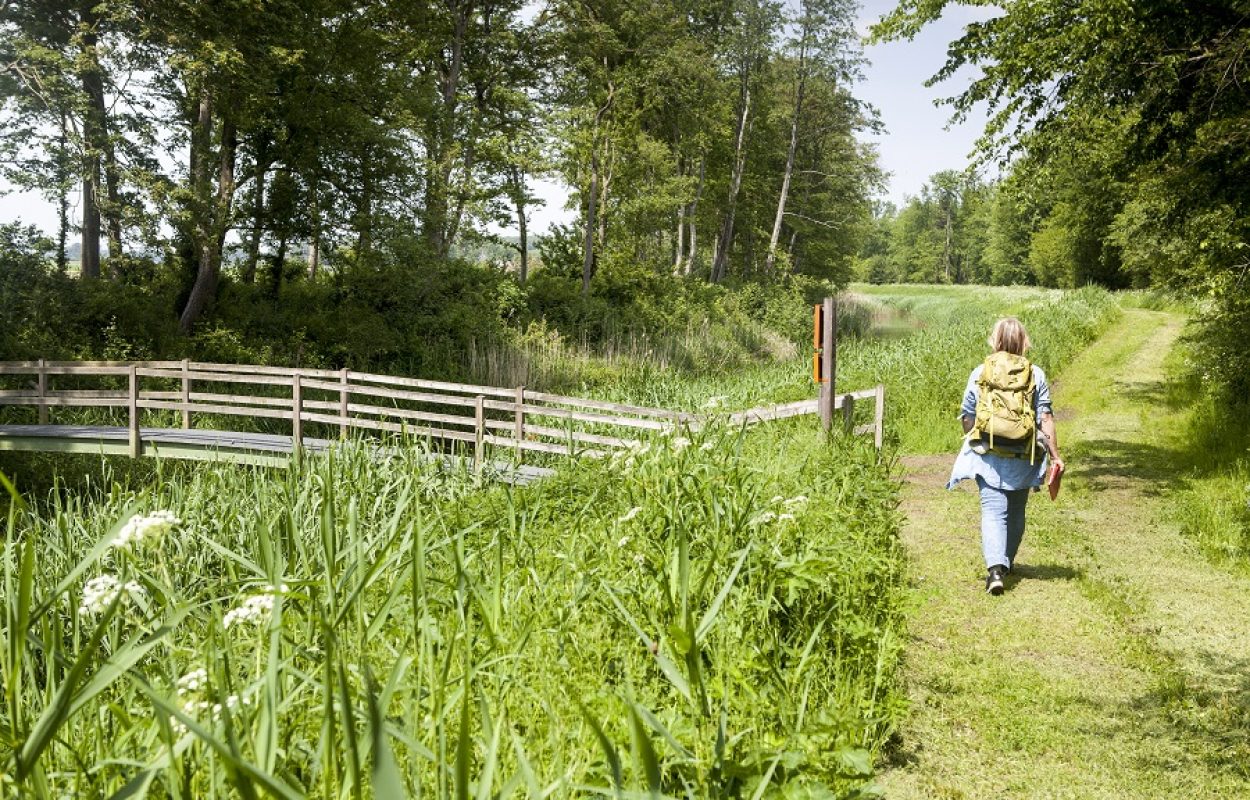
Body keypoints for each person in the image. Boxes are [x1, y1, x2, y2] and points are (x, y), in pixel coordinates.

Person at [948, 317, 1065, 595]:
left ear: (995, 340)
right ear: (1024, 342)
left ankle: (995, 571)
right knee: (1015, 511)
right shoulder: (1036, 373)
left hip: (989, 452)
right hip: (1025, 453)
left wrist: (977, 439)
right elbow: (1044, 417)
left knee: (992, 511)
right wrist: (1056, 455)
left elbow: (967, 414)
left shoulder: (981, 371)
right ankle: (1007, 562)